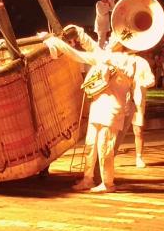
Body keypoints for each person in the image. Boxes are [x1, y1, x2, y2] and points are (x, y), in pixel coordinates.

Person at [45, 26, 134, 193]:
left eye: (115, 38)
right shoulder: (105, 57)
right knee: (91, 144)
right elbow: (86, 50)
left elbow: (86, 54)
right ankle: (87, 178)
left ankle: (108, 183)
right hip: (98, 107)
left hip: (112, 109)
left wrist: (59, 42)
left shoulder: (128, 61)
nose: (111, 40)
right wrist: (78, 33)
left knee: (104, 146)